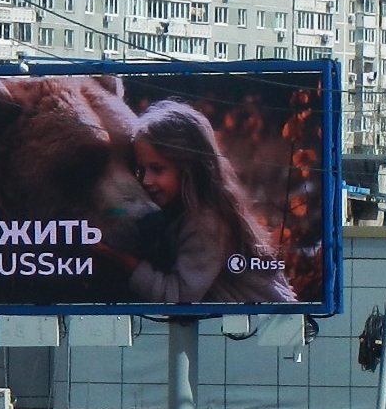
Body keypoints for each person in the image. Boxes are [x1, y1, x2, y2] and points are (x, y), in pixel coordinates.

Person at [123, 98, 297, 306]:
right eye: (140, 170)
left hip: (266, 322)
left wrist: (129, 265)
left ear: (189, 168)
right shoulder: (184, 212)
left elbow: (179, 299)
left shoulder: (205, 223)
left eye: (157, 169)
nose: (145, 180)